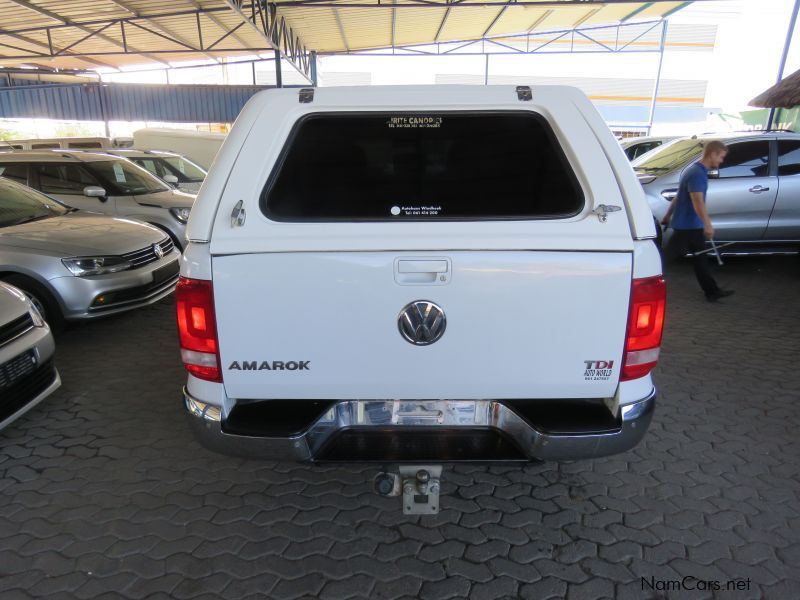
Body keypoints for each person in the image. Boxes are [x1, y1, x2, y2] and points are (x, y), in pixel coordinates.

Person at [661, 140, 735, 302]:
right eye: (721, 157)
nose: (721, 161)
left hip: (689, 224)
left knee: (700, 259)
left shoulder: (692, 170)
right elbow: (697, 201)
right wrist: (708, 224)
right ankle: (642, 277)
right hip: (689, 225)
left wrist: (668, 216)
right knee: (667, 257)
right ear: (713, 154)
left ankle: (712, 291)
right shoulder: (697, 174)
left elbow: (678, 196)